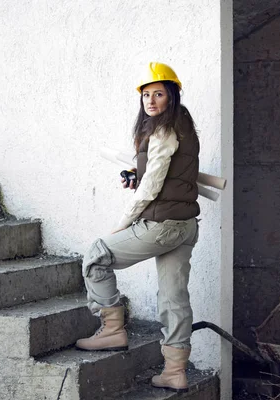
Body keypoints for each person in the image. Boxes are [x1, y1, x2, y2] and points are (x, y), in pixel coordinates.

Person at [75, 62, 200, 393]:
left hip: (162, 226)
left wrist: (124, 222)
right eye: (146, 94)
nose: (151, 100)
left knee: (97, 254)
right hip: (185, 225)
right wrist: (138, 175)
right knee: (174, 298)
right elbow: (165, 175)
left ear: (172, 95)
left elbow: (151, 188)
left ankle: (112, 329)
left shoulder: (162, 131)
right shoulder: (183, 125)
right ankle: (175, 370)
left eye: (159, 93)